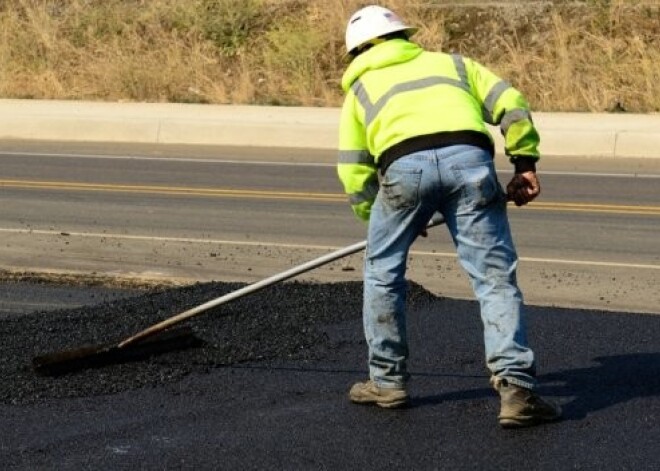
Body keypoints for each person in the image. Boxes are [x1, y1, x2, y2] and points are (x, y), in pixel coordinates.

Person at [337, 5, 561, 428]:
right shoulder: (454, 65)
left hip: (402, 170)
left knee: (382, 271)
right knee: (494, 278)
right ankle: (516, 390)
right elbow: (511, 104)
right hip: (471, 163)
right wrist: (524, 163)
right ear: (404, 37)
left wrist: (383, 215)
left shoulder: (360, 89)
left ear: (358, 51)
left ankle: (387, 382)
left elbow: (354, 168)